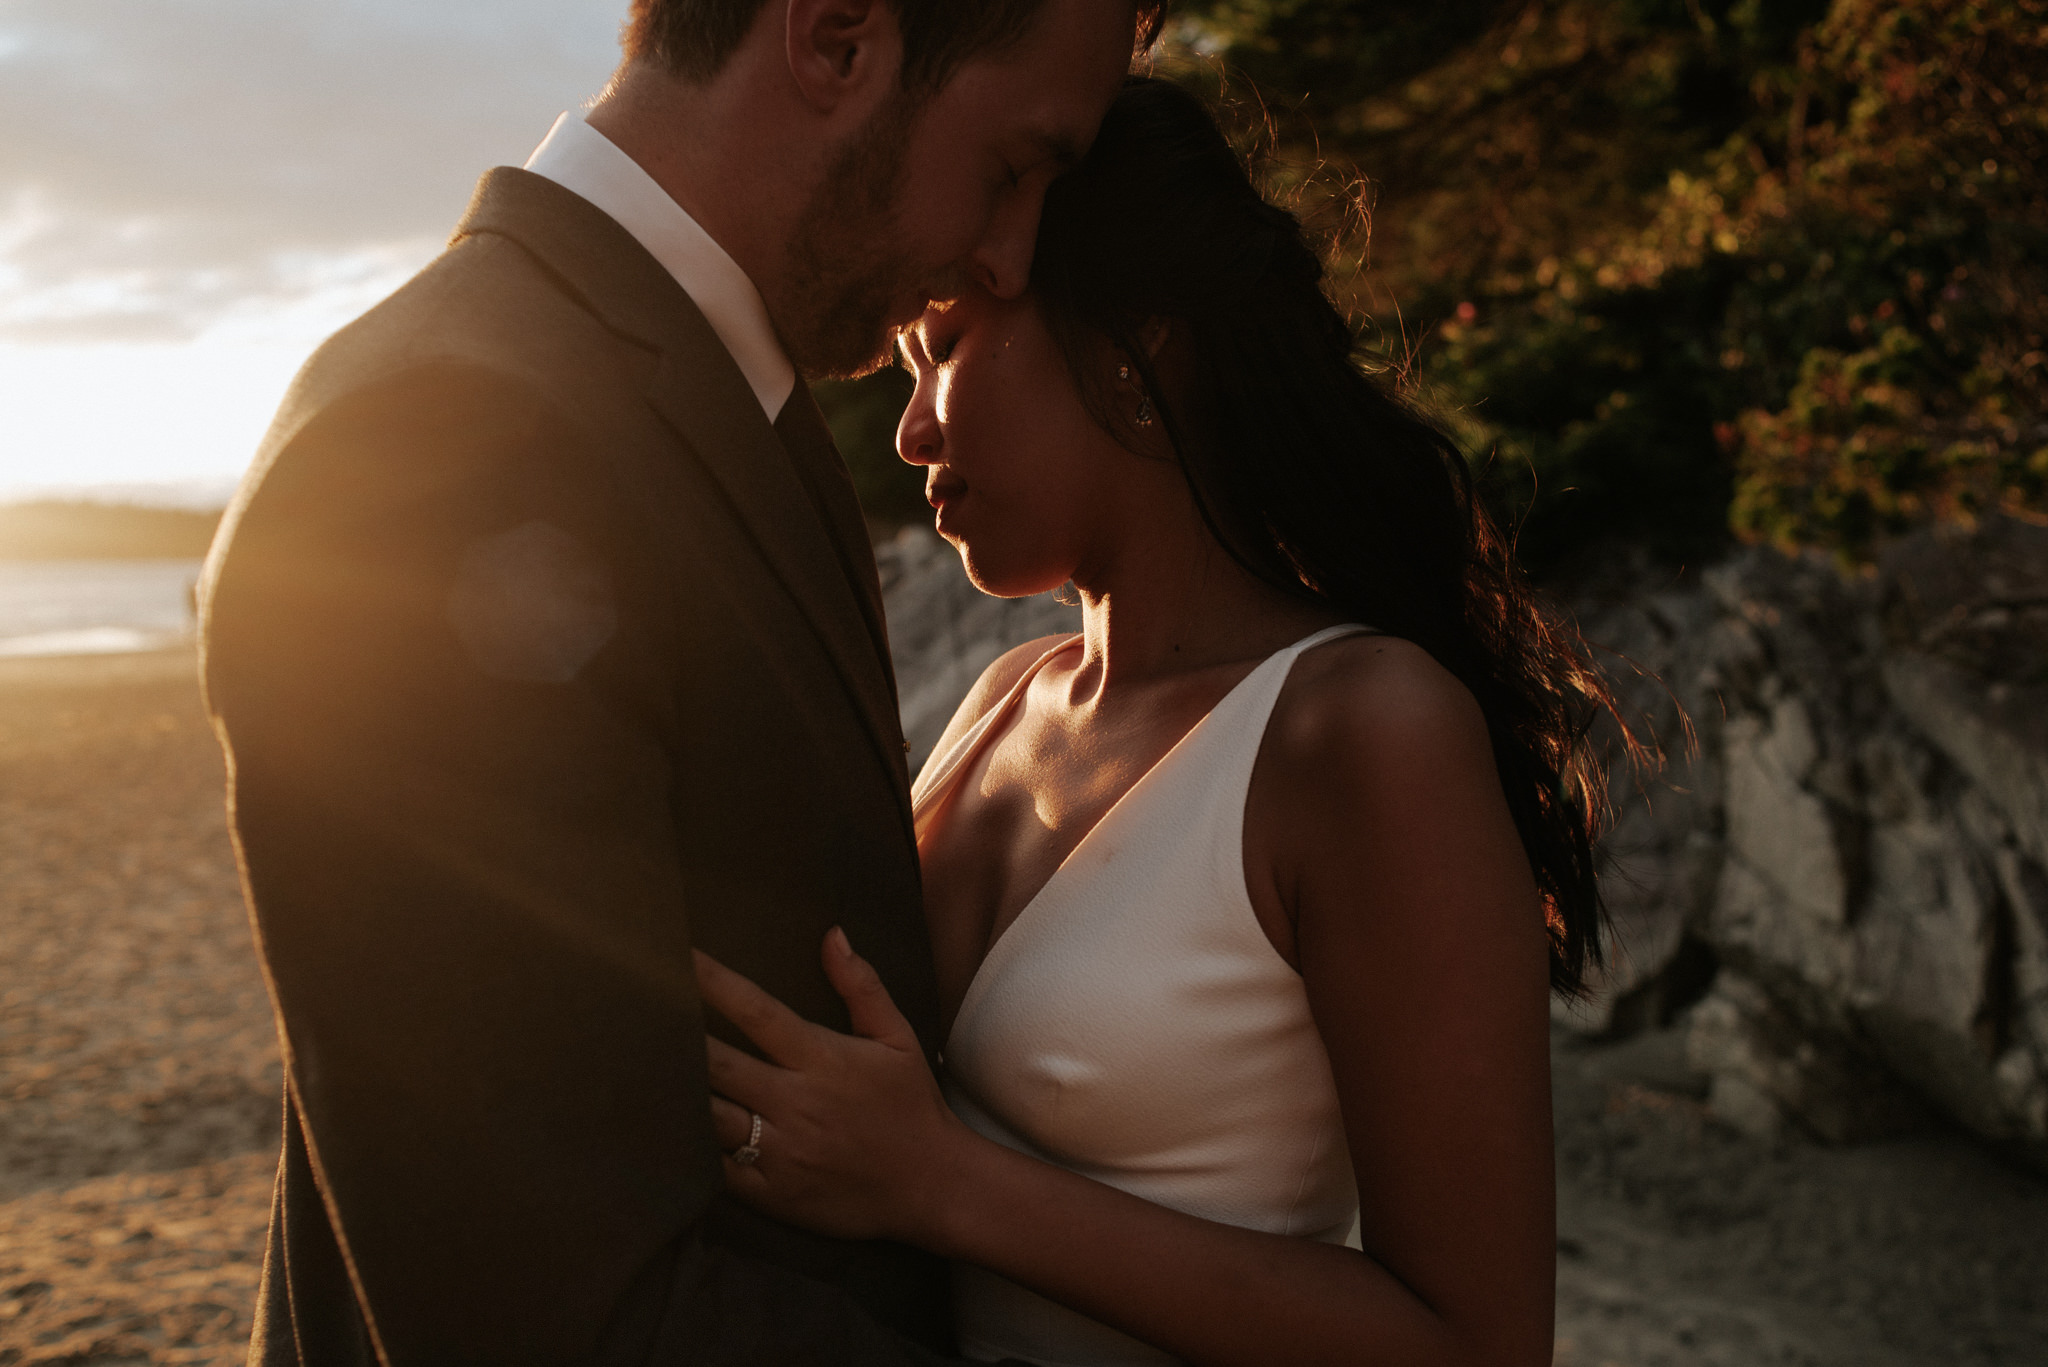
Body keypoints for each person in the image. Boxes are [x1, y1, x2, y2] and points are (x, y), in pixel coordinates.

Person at [199, 2, 1158, 1363]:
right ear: (833, 41)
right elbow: (547, 1312)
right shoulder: (446, 434)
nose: (1006, 259)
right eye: (1010, 169)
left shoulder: (712, 391)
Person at [692, 76, 1637, 1367]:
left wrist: (941, 1183)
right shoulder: (1003, 701)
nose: (909, 431)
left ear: (1142, 350)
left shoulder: (1359, 733)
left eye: (949, 347)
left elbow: (1476, 1343)